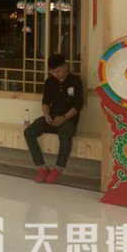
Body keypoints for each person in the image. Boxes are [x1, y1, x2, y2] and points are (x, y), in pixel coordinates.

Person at [23, 53, 83, 184]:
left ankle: (58, 168)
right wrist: (47, 116)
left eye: (58, 71)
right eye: (53, 72)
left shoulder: (75, 81)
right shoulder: (50, 81)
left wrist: (64, 118)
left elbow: (78, 105)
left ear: (65, 67)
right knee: (29, 132)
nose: (56, 74)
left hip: (68, 120)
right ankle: (42, 167)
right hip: (52, 118)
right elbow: (45, 102)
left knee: (65, 135)